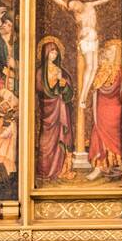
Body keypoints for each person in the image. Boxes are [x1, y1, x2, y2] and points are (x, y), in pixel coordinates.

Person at [36, 40, 74, 183]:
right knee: (46, 141)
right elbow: (40, 89)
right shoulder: (40, 72)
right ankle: (45, 170)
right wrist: (54, 91)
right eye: (51, 51)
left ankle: (60, 169)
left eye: (55, 51)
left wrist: (64, 86)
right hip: (48, 110)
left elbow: (68, 93)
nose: (54, 54)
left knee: (60, 138)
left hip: (60, 109)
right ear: (45, 53)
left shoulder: (61, 71)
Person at [86, 39, 122, 180]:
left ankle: (116, 165)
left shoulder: (120, 71)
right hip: (102, 108)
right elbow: (95, 88)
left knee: (115, 138)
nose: (110, 53)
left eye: (114, 51)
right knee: (97, 135)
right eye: (109, 50)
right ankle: (99, 167)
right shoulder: (102, 69)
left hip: (114, 109)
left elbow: (121, 91)